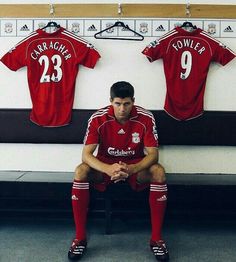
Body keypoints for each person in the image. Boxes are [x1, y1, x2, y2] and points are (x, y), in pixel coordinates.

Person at [68, 81, 169, 261]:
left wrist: (131, 169)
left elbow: (153, 155)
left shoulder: (146, 117)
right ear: (110, 101)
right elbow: (86, 155)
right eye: (118, 103)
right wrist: (108, 169)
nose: (122, 108)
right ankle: (80, 238)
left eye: (127, 104)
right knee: (80, 171)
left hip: (134, 164)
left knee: (159, 171)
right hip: (106, 164)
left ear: (133, 101)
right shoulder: (98, 118)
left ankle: (157, 240)